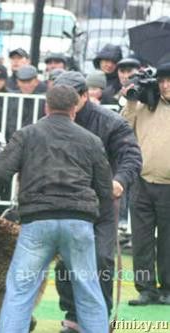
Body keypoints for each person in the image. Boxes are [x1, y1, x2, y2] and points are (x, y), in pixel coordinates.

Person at [0, 85, 113, 333]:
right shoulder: (91, 140)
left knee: (20, 291)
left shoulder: (27, 135)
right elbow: (105, 190)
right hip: (79, 221)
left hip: (37, 221)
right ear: (75, 109)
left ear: (46, 106)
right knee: (89, 291)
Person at [53, 71, 142, 333]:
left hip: (101, 202)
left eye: (70, 99)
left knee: (101, 259)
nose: (64, 105)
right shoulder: (52, 119)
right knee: (65, 262)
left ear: (85, 96)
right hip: (64, 200)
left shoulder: (111, 122)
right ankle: (72, 315)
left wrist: (120, 180)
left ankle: (98, 318)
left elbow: (131, 156)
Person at [121, 61, 170, 306]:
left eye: (169, 80)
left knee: (168, 240)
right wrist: (130, 101)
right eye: (162, 81)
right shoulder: (144, 105)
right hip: (142, 182)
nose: (166, 85)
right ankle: (145, 288)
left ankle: (168, 288)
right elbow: (124, 128)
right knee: (141, 239)